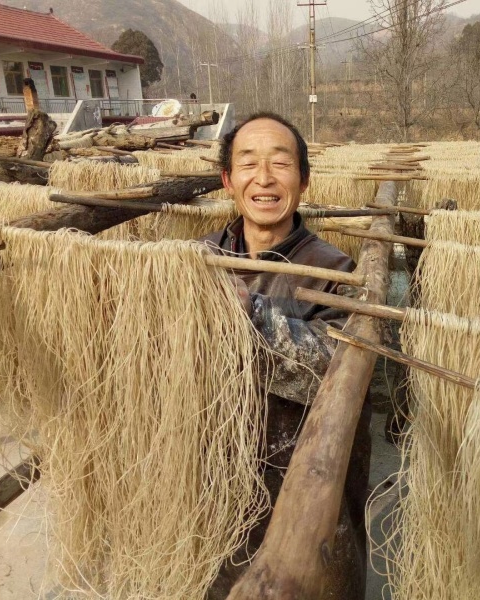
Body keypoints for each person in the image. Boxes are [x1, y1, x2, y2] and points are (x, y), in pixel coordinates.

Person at [200, 113, 370, 600]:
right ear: (229, 181)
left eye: (281, 163)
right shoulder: (195, 258)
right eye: (249, 164)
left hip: (301, 497)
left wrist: (252, 314)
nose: (265, 178)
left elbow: (339, 374)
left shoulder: (337, 272)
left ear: (304, 178)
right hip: (215, 492)